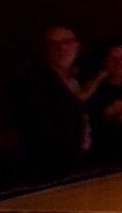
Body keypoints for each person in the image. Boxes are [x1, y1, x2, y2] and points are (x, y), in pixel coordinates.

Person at [10, 23, 91, 181]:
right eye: (54, 44)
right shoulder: (32, 83)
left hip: (85, 165)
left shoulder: (82, 77)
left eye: (67, 42)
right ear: (45, 49)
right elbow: (42, 126)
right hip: (51, 170)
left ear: (77, 46)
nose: (62, 49)